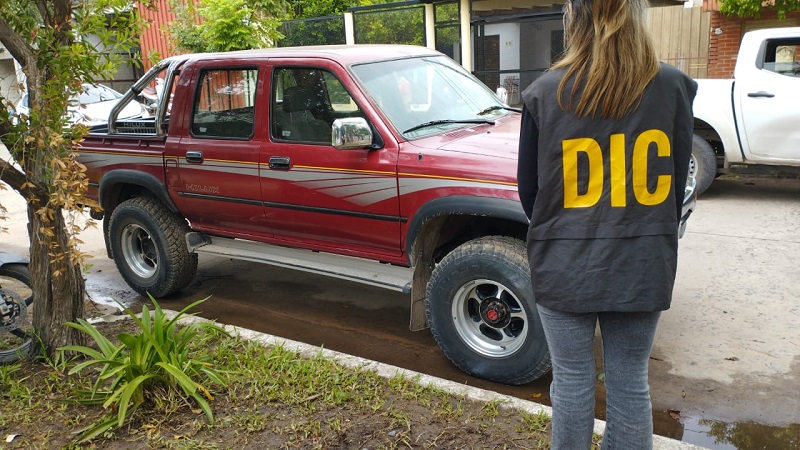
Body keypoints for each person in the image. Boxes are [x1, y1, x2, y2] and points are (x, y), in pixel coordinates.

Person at [516, 1, 697, 449]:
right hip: (642, 258)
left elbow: (530, 194)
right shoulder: (673, 87)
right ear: (638, 14)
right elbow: (676, 185)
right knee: (631, 383)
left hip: (563, 260)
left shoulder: (545, 91)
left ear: (573, 18)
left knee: (573, 383)